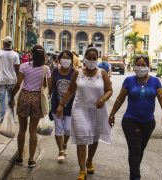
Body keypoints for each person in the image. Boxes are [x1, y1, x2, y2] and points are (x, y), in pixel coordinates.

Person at [108, 55, 162, 180]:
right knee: (135, 149)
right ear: (134, 66)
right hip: (131, 120)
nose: (140, 67)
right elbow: (120, 99)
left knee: (140, 150)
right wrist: (112, 113)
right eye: (138, 65)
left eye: (143, 65)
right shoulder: (129, 81)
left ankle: (133, 173)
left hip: (148, 122)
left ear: (148, 67)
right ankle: (136, 176)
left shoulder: (155, 82)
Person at [56, 47, 113, 180]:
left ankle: (89, 160)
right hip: (79, 109)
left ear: (97, 59)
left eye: (94, 58)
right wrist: (61, 105)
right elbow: (70, 90)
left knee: (94, 139)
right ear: (85, 58)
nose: (92, 61)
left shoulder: (102, 73)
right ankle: (82, 169)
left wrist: (103, 99)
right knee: (82, 138)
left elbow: (109, 90)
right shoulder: (78, 73)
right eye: (90, 58)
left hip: (97, 110)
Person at [11, 45, 51, 168]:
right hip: (37, 99)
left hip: (24, 97)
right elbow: (48, 86)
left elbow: (18, 84)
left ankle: (19, 157)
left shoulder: (24, 66)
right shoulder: (46, 69)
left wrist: (11, 96)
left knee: (22, 129)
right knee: (33, 130)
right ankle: (31, 160)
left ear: (32, 54)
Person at [49, 50, 75, 164]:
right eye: (63, 57)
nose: (65, 60)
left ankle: (64, 144)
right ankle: (60, 151)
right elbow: (50, 88)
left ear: (71, 60)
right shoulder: (54, 71)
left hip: (70, 106)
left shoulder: (75, 73)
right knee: (59, 128)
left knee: (68, 129)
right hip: (56, 104)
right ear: (59, 59)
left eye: (68, 57)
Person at [0, 36, 20, 123]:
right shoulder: (15, 55)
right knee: (11, 98)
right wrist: (18, 80)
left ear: (4, 43)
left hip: (1, 80)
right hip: (11, 80)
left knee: (1, 99)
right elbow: (17, 69)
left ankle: (2, 118)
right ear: (10, 44)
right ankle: (11, 117)